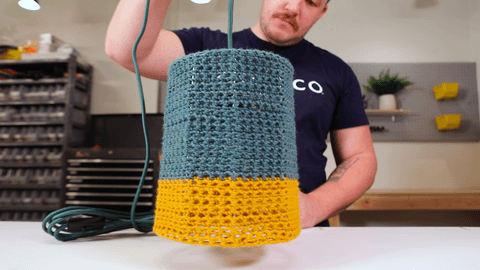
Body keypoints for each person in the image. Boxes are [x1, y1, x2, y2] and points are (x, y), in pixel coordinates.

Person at [105, 0, 377, 228]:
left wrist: (314, 207)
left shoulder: (335, 70)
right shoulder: (205, 47)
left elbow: (359, 157)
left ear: (322, 11)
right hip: (206, 229)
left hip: (298, 231)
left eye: (311, 1)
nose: (294, 6)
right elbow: (126, 50)